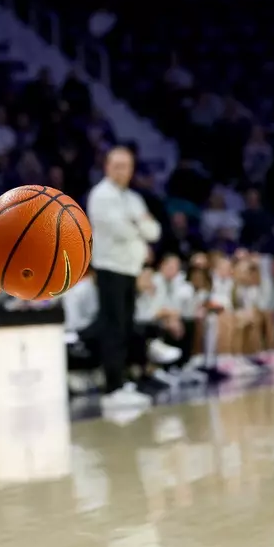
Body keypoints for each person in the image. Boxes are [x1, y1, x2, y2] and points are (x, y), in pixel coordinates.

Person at [86, 144, 161, 413]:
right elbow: (121, 230)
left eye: (126, 166)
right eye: (116, 166)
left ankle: (124, 382)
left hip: (130, 270)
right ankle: (112, 388)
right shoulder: (101, 195)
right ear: (107, 167)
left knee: (126, 327)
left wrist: (137, 226)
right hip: (110, 269)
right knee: (113, 328)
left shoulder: (133, 199)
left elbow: (154, 231)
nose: (121, 171)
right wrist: (139, 225)